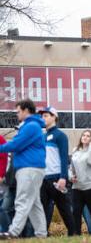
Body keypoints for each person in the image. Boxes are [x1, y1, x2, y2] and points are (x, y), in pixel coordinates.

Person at [0, 99, 47, 239]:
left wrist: (1, 147)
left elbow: (16, 144)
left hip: (29, 168)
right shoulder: (30, 126)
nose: (17, 114)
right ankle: (41, 234)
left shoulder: (30, 126)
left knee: (22, 200)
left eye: (18, 111)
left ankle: (13, 232)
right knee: (34, 204)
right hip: (31, 168)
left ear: (26, 110)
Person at [39, 107, 75, 236]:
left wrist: (63, 177)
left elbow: (64, 157)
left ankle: (73, 234)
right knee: (42, 209)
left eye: (46, 115)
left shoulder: (60, 135)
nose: (43, 118)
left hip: (56, 178)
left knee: (64, 209)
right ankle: (42, 234)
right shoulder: (42, 136)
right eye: (42, 116)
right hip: (43, 179)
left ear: (54, 117)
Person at [69, 130, 91, 235]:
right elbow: (72, 167)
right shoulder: (75, 150)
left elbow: (90, 161)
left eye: (88, 136)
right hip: (77, 186)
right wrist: (71, 176)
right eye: (83, 135)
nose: (85, 137)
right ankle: (76, 235)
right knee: (76, 211)